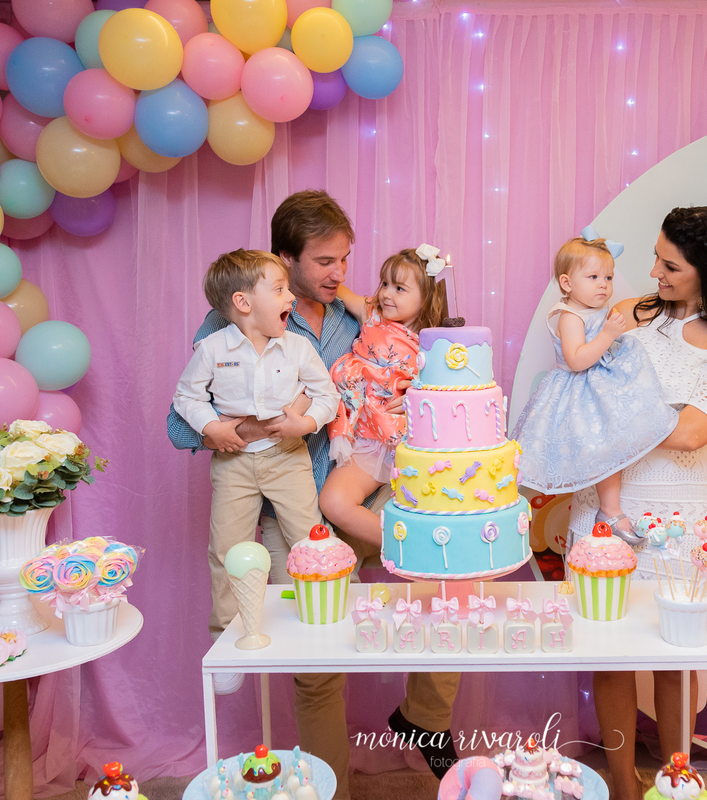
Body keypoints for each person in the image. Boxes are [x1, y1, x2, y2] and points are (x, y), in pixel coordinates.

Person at [165, 191, 460, 798]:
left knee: (448, 593)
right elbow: (179, 421)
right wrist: (242, 428)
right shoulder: (235, 318)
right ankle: (332, 790)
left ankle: (424, 722)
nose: (340, 274)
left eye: (345, 260)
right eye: (325, 261)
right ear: (285, 259)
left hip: (370, 490)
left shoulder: (364, 317)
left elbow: (418, 357)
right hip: (293, 511)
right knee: (319, 664)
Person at [567, 207, 707, 800]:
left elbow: (692, 434)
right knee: (609, 651)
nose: (654, 273)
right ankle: (622, 785)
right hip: (606, 503)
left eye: (670, 264)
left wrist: (611, 416)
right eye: (656, 257)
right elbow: (580, 378)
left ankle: (675, 777)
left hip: (677, 511)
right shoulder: (635, 315)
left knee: (674, 654)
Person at [172, 249, 340, 651]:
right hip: (233, 464)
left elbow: (327, 395)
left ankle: (327, 616)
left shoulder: (297, 347)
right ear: (243, 303)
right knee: (226, 549)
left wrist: (306, 422)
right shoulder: (212, 349)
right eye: (280, 289)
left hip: (288, 457)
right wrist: (211, 426)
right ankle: (228, 635)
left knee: (310, 536)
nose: (291, 299)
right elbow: (186, 397)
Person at [511, 235, 678, 543]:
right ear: (566, 283)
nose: (604, 285)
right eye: (593, 277)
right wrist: (608, 333)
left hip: (598, 385)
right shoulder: (570, 316)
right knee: (599, 446)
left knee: (614, 443)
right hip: (576, 392)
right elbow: (577, 360)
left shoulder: (595, 309)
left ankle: (611, 508)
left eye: (608, 277)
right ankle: (610, 509)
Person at [320, 246, 447, 544]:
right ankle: (410, 545)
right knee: (334, 502)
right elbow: (337, 288)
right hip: (366, 439)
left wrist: (418, 395)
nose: (387, 294)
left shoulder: (435, 341)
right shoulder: (371, 312)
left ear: (426, 297)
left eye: (400, 288)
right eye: (385, 283)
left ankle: (432, 549)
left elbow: (448, 397)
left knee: (445, 508)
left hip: (413, 444)